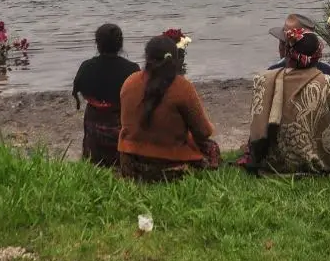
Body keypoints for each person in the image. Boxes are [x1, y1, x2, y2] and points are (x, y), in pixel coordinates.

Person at [244, 27, 330, 175]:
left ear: (288, 54)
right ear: (318, 56)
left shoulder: (263, 80)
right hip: (321, 163)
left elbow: (256, 131)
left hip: (274, 164)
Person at [117, 35, 220, 182]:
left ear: (146, 57)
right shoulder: (183, 87)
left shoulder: (129, 82)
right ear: (175, 59)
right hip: (171, 163)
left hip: (131, 163)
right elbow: (204, 132)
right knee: (212, 147)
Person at [72, 23, 140, 166]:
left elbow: (78, 93)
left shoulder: (86, 67)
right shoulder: (132, 69)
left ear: (97, 44)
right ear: (120, 44)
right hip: (120, 134)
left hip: (94, 134)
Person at [267, 13, 330, 78]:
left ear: (287, 48)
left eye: (282, 43)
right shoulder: (326, 71)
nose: (280, 48)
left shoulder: (272, 73)